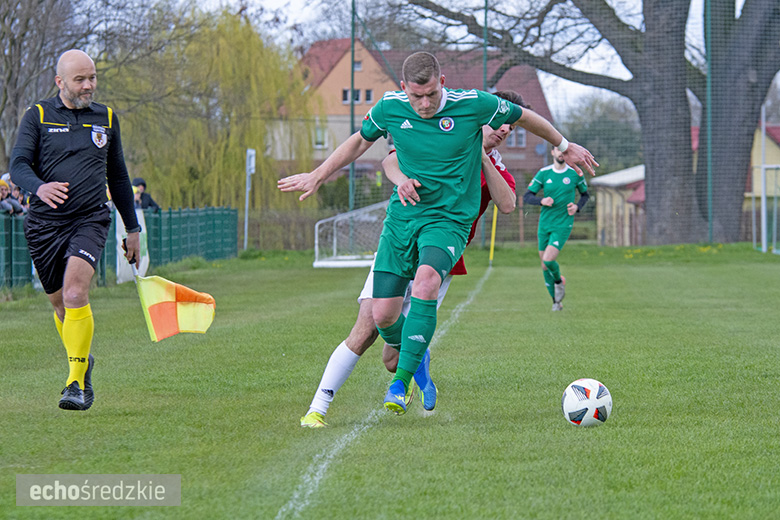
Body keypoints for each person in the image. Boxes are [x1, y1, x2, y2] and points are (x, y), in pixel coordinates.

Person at [280, 52, 597, 416]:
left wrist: (562, 145)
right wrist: (320, 174)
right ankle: (413, 365)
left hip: (446, 227)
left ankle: (394, 387)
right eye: (417, 97)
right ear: (404, 90)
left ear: (442, 83)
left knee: (425, 283)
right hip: (403, 224)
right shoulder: (392, 108)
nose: (425, 104)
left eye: (431, 94)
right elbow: (368, 146)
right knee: (380, 323)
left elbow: (520, 132)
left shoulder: (474, 109)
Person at [298, 90, 524, 428]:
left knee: (392, 360)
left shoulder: (494, 165)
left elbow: (507, 205)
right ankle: (318, 407)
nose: (504, 130)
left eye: (509, 128)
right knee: (366, 326)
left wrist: (481, 156)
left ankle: (412, 362)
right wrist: (402, 181)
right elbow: (390, 158)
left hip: (436, 259)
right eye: (499, 123)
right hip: (401, 239)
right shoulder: (443, 133)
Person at [10, 49, 140, 411]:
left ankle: (75, 384)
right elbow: (18, 165)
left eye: (93, 78)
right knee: (60, 305)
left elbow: (119, 176)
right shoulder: (37, 115)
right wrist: (39, 187)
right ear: (60, 82)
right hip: (43, 224)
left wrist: (133, 229)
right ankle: (82, 359)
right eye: (80, 79)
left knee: (74, 293)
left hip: (89, 219)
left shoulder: (107, 117)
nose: (88, 85)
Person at [523, 146, 590, 311]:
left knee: (548, 260)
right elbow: (527, 196)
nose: (561, 153)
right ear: (552, 152)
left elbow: (585, 195)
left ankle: (559, 280)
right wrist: (541, 201)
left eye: (564, 151)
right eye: (558, 150)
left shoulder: (575, 173)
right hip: (545, 223)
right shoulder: (544, 173)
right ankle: (556, 302)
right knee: (544, 266)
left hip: (563, 223)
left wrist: (577, 207)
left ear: (567, 154)